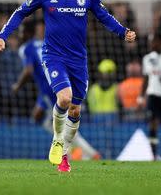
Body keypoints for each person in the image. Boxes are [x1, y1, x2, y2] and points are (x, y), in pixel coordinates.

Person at [0, 0, 136, 172]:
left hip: (78, 59)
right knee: (64, 98)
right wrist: (3, 36)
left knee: (76, 110)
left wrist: (123, 32)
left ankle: (64, 153)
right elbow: (20, 11)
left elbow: (105, 16)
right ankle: (58, 141)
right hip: (54, 56)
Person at [12, 21, 101, 166]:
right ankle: (71, 149)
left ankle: (89, 153)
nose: (20, 35)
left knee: (60, 120)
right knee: (38, 116)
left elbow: (28, 71)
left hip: (50, 87)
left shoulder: (25, 48)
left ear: (28, 33)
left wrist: (17, 86)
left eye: (22, 31)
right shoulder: (42, 43)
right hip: (58, 81)